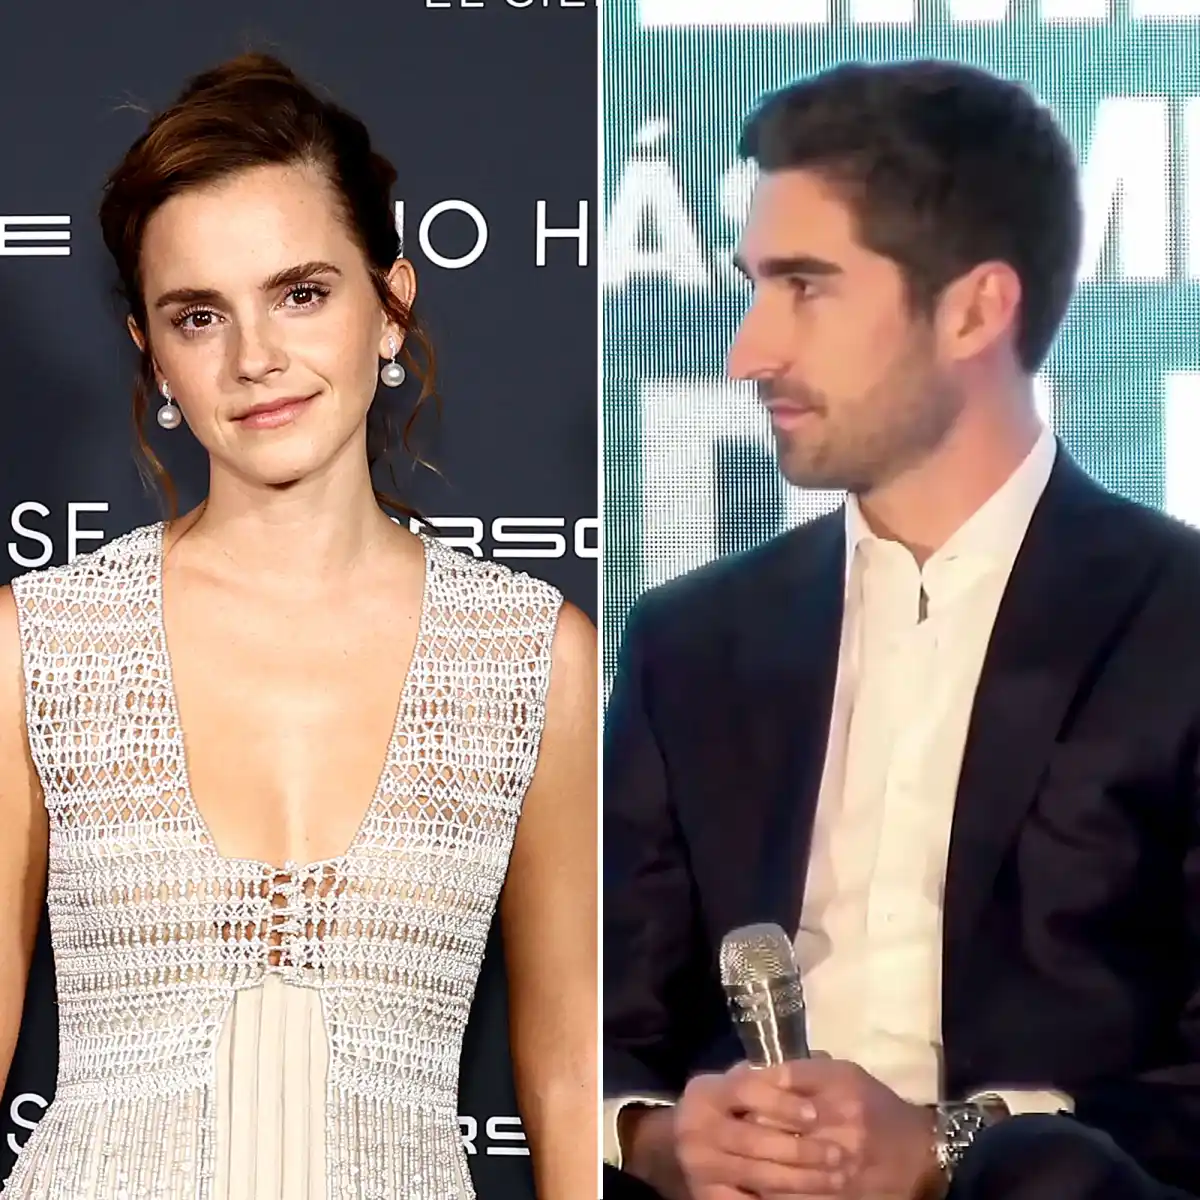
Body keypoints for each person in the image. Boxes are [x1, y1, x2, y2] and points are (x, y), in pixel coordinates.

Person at [0, 53, 597, 1200]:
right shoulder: (42, 643)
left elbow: (570, 1076)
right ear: (151, 352)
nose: (255, 359)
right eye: (198, 316)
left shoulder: (530, 658)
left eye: (302, 294)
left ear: (392, 304)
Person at [603, 59, 1200, 1200]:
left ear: (975, 309)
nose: (748, 351)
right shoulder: (693, 643)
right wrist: (665, 1139)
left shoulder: (1177, 621)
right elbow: (605, 1030)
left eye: (806, 287)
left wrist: (944, 1147)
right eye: (755, 287)